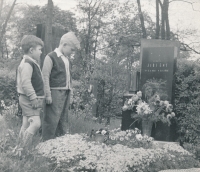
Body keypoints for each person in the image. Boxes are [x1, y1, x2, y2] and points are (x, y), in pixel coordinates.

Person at [42, 32, 80, 141]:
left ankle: (60, 142)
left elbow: (69, 78)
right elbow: (45, 76)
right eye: (71, 50)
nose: (72, 53)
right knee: (51, 118)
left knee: (63, 118)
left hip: (66, 92)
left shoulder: (67, 59)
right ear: (64, 44)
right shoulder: (50, 57)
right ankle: (47, 142)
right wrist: (48, 94)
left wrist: (70, 93)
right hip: (54, 92)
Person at [16, 35, 44, 151]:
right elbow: (26, 83)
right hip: (29, 99)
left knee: (26, 124)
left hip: (26, 98)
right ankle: (23, 147)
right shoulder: (27, 63)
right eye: (39, 49)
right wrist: (33, 98)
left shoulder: (30, 62)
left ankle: (18, 145)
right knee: (36, 123)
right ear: (31, 50)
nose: (41, 52)